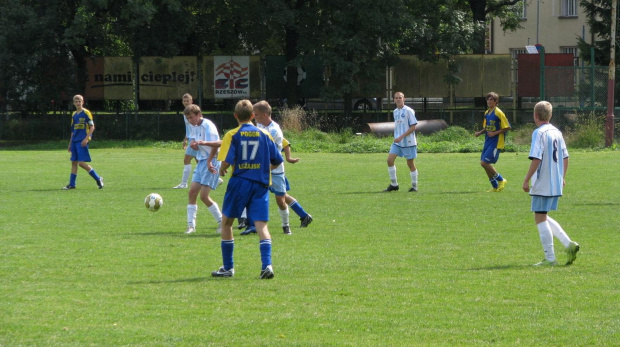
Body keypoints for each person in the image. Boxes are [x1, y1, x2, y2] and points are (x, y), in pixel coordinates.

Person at [212, 99, 283, 279]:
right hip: (260, 184)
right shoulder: (265, 134)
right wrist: (264, 169)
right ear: (253, 116)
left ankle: (228, 267)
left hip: (240, 182)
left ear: (235, 116)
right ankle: (267, 265)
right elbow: (277, 161)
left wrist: (222, 168)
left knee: (227, 222)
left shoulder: (232, 135)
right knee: (261, 225)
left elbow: (227, 160)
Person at [523, 101, 579, 266]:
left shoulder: (539, 133)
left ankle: (550, 259)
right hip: (555, 181)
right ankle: (569, 245)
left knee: (539, 217)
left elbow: (537, 158)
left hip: (543, 180)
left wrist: (526, 179)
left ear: (535, 116)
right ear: (550, 115)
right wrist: (562, 176)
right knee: (543, 215)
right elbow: (565, 157)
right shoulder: (557, 132)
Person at [243, 100, 312, 235]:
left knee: (280, 199)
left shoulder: (274, 130)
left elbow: (270, 148)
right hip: (260, 169)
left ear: (264, 114)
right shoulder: (260, 124)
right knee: (252, 194)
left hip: (274, 169)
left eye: (256, 115)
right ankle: (251, 225)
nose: (253, 117)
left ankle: (287, 226)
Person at [183, 104, 223, 235]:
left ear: (199, 115)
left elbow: (218, 144)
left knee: (204, 196)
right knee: (192, 193)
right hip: (201, 161)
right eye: (188, 118)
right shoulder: (194, 126)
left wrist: (209, 159)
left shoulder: (208, 126)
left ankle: (222, 223)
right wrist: (194, 145)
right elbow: (194, 142)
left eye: (191, 117)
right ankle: (191, 226)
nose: (190, 120)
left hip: (211, 161)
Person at [62, 94, 104, 190]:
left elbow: (92, 127)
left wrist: (86, 139)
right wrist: (70, 143)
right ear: (73, 103)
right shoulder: (74, 114)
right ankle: (72, 184)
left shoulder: (86, 113)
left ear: (83, 102)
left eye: (79, 101)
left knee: (81, 163)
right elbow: (73, 130)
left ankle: (98, 178)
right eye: (76, 101)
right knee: (73, 162)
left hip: (82, 141)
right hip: (75, 141)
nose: (78, 103)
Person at [474, 92, 510, 192]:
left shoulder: (499, 113)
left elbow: (507, 127)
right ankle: (495, 186)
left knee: (484, 163)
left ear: (496, 101)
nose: (489, 101)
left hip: (496, 142)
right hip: (488, 141)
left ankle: (501, 179)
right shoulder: (487, 113)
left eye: (491, 99)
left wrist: (495, 133)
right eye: (488, 99)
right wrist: (480, 133)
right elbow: (486, 127)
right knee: (484, 164)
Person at [384, 92, 419, 192]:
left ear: (404, 99)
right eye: (396, 98)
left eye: (400, 98)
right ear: (394, 100)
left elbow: (413, 127)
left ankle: (414, 186)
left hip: (408, 142)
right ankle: (394, 184)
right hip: (397, 142)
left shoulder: (409, 111)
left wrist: (401, 137)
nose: (398, 99)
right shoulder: (395, 111)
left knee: (410, 164)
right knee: (389, 160)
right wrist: (397, 137)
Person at [173, 93, 198, 189]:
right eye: (184, 101)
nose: (186, 102)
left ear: (192, 101)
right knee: (199, 162)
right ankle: (216, 179)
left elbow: (198, 125)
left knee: (186, 160)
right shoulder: (186, 112)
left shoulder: (194, 111)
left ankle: (184, 183)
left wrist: (195, 139)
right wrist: (185, 139)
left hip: (195, 139)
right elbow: (189, 128)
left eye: (188, 100)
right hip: (192, 138)